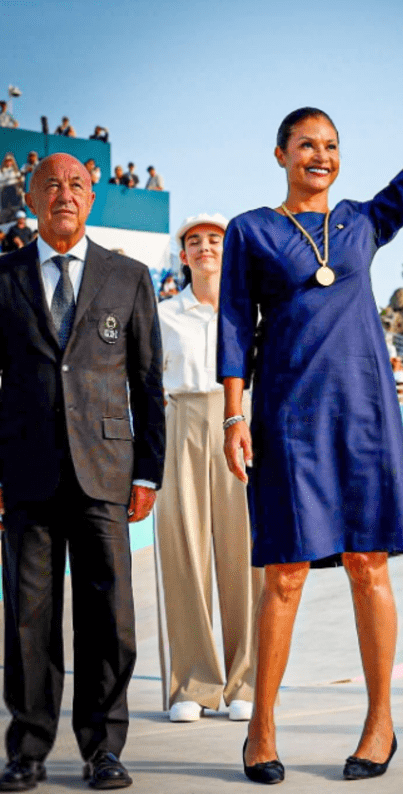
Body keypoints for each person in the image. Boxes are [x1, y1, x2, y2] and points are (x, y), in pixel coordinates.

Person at [218, 24, 403, 784]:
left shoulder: (362, 220)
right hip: (286, 420)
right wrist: (233, 415)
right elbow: (233, 325)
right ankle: (261, 731)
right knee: (284, 575)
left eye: (330, 145)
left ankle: (380, 723)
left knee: (367, 565)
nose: (320, 155)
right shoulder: (251, 231)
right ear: (282, 154)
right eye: (306, 144)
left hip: (363, 421)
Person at [0, 153, 165, 791]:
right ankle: (28, 751)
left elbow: (149, 382)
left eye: (76, 185)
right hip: (26, 473)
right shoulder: (5, 276)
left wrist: (148, 471)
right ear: (32, 198)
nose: (63, 194)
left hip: (107, 472)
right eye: (51, 185)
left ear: (91, 198)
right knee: (27, 617)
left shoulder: (129, 277)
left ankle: (104, 748)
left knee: (108, 616)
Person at [155, 213, 261, 725]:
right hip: (184, 423)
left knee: (245, 555)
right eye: (194, 242)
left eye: (214, 240)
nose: (204, 249)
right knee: (184, 556)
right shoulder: (164, 313)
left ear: (229, 248)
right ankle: (192, 684)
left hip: (240, 424)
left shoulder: (252, 313)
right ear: (183, 255)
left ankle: (246, 680)